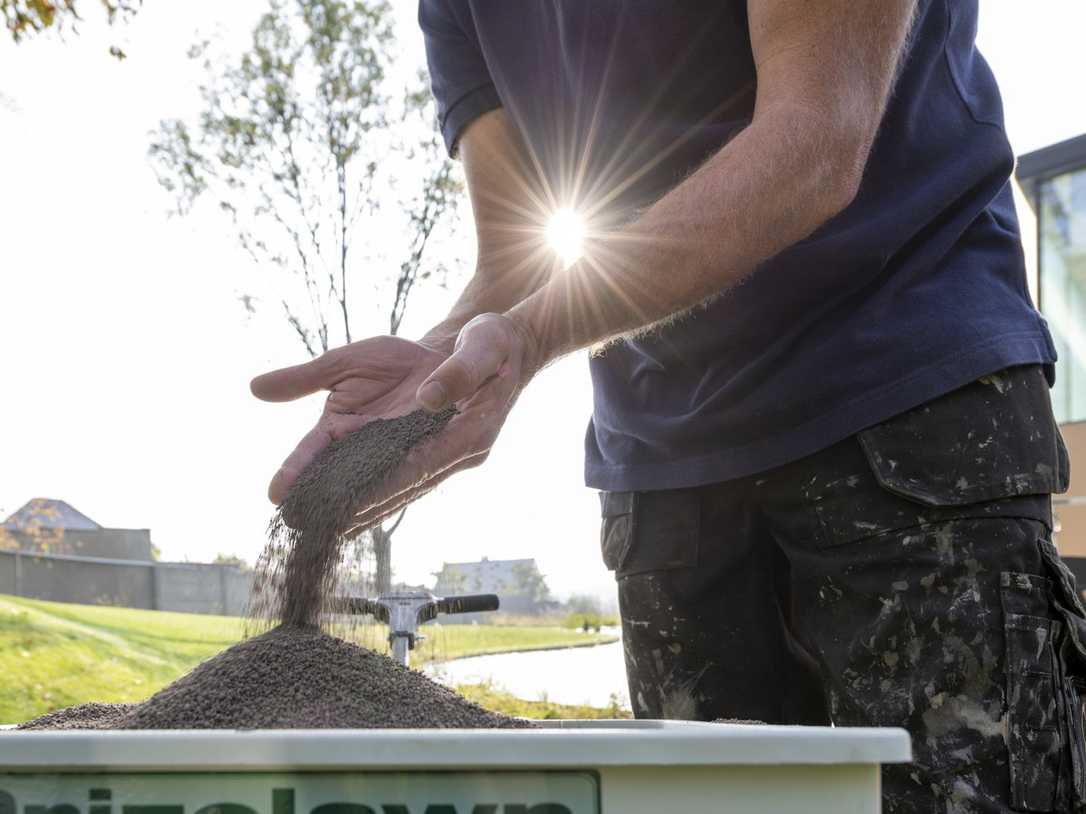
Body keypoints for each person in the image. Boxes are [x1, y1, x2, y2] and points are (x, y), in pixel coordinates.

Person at [251, 2, 1081, 810]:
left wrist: (535, 335)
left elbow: (816, 139)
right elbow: (512, 261)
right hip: (666, 473)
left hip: (904, 416)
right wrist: (436, 375)